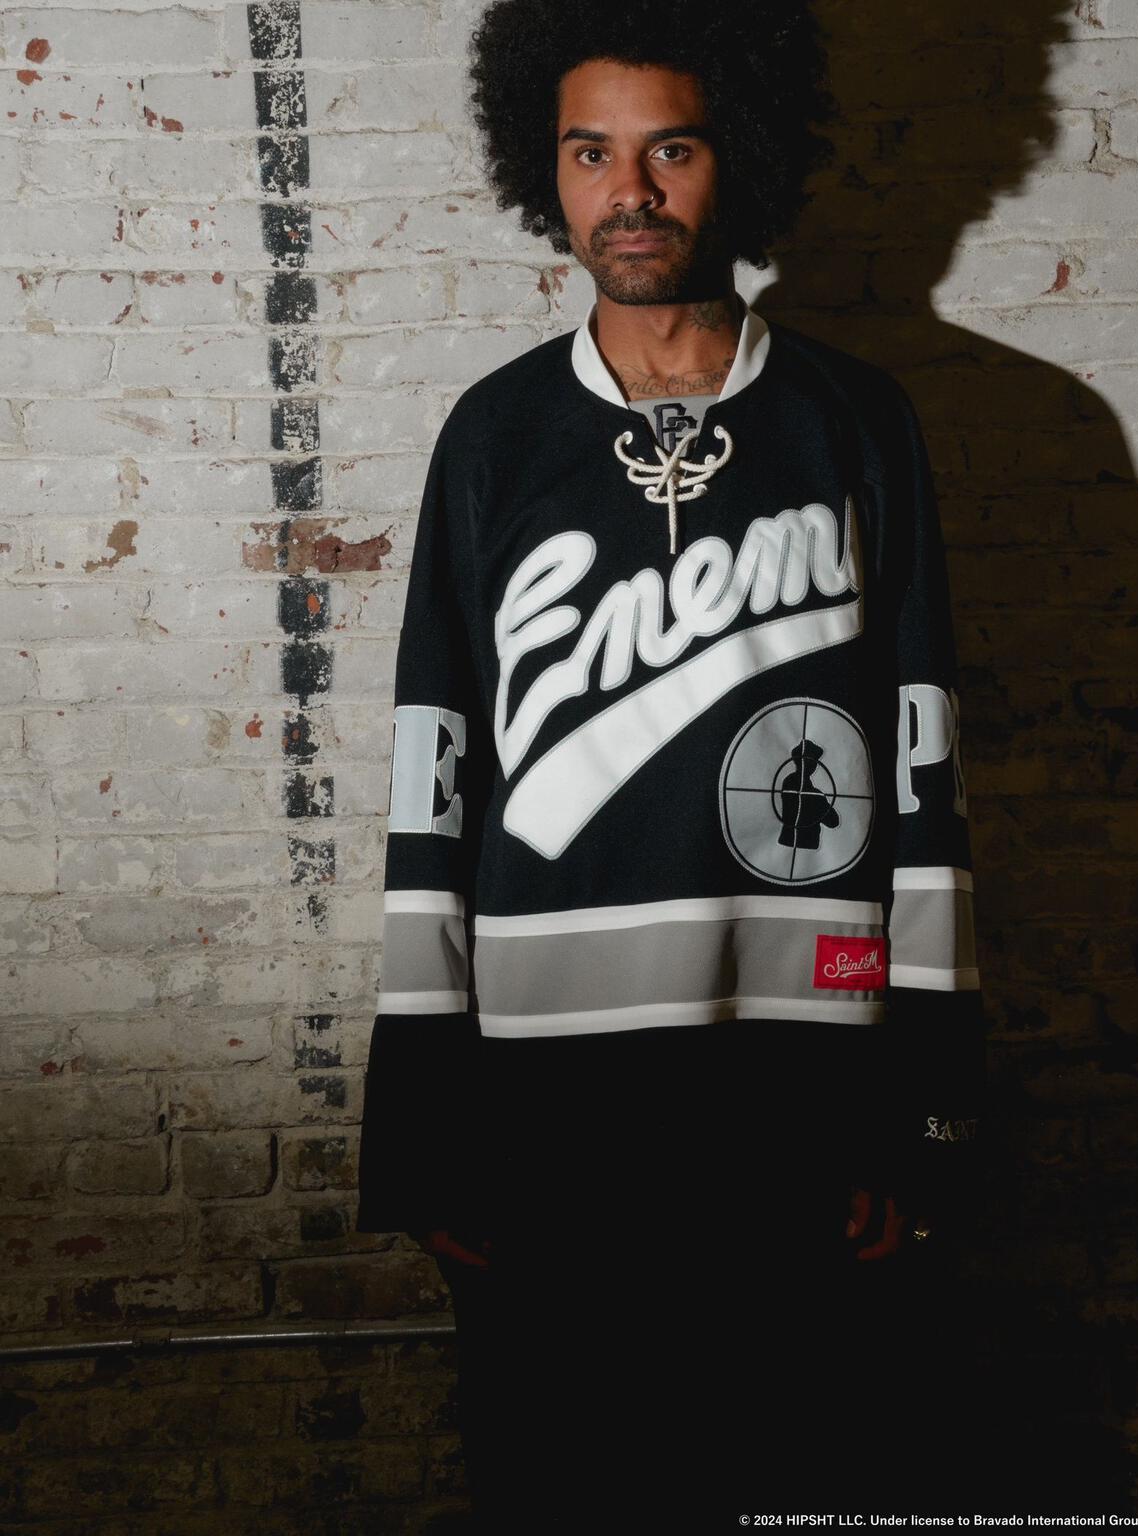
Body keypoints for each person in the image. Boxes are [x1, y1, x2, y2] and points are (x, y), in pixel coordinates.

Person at [356, 1, 988, 1524]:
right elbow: (436, 768)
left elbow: (925, 772)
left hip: (801, 1087)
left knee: (813, 1473)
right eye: (591, 153)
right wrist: (431, 1127)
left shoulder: (855, 422)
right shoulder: (497, 436)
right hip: (548, 1105)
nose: (628, 192)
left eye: (671, 149)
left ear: (740, 155)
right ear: (546, 170)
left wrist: (916, 1102)